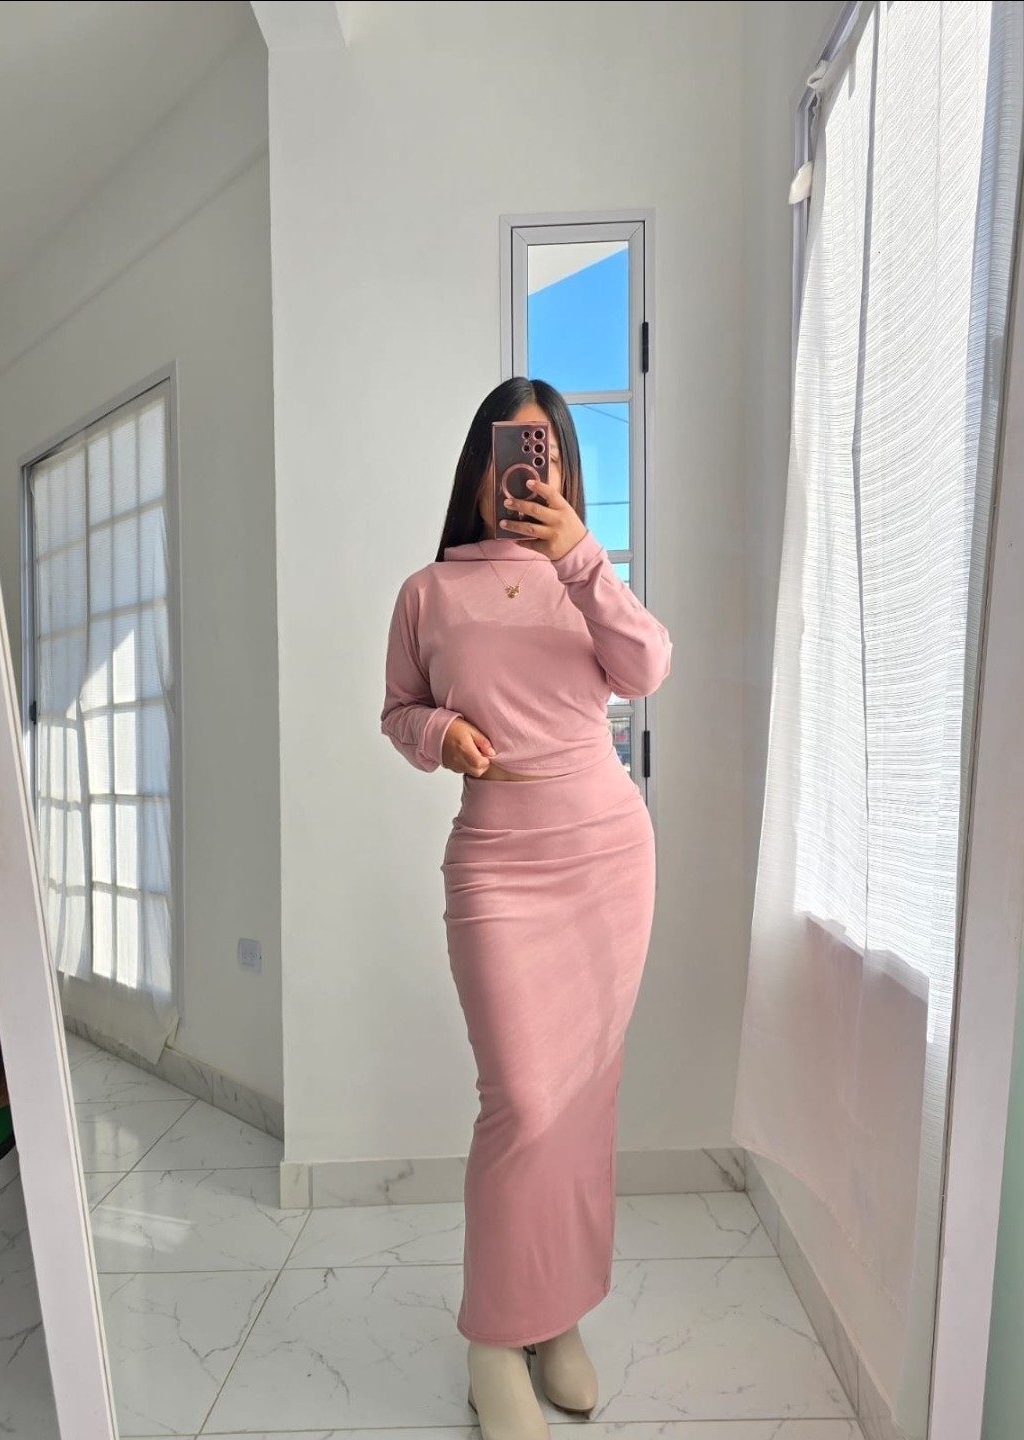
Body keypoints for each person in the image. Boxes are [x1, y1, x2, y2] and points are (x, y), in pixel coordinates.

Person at [381, 377, 672, 1440]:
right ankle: (492, 1340)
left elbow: (646, 669)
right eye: (513, 450)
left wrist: (582, 556)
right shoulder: (427, 592)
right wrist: (438, 736)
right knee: (523, 1102)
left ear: (563, 472)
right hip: (498, 864)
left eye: (544, 452)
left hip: (606, 853)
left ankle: (557, 1315)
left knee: (585, 1098)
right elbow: (397, 709)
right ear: (479, 466)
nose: (525, 470)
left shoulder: (584, 576)